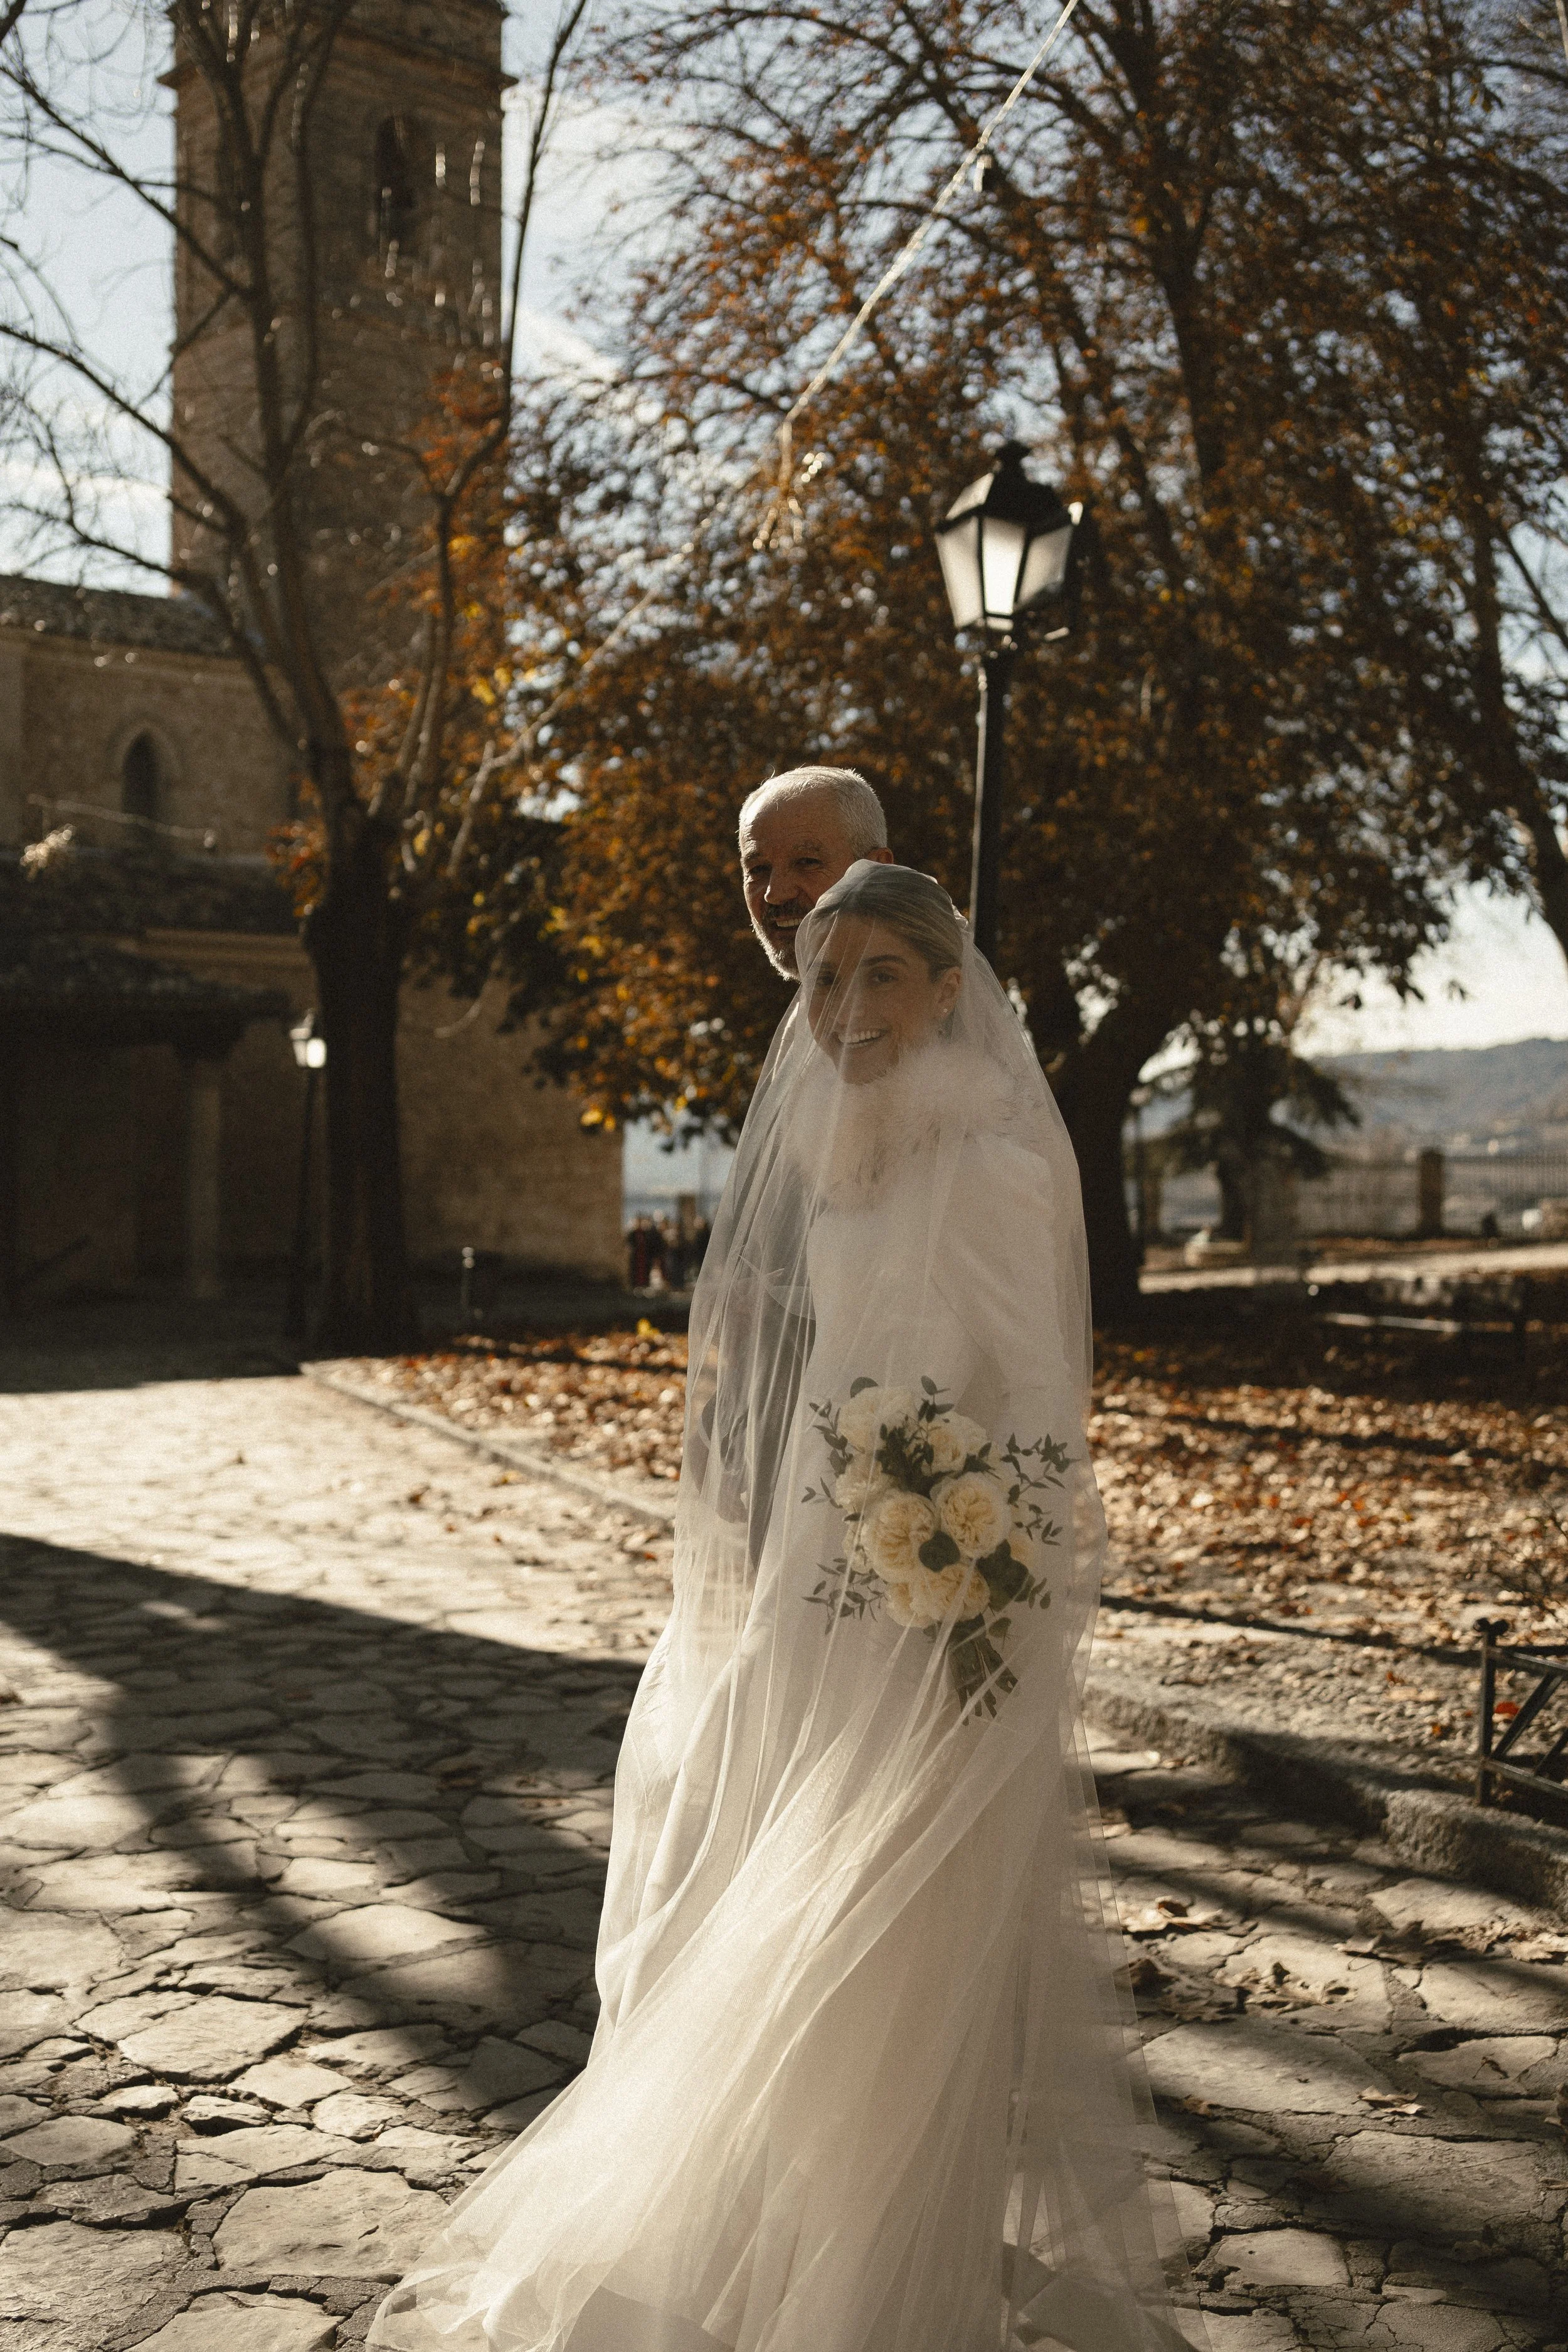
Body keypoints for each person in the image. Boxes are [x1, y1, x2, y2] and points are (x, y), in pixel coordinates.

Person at [371, 862, 1188, 2352]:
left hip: (947, 1621)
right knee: (787, 1918)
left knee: (889, 1963)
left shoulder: (996, 1162)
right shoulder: (835, 1149)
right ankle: (780, 2260)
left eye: (883, 974)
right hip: (823, 1591)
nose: (847, 1006)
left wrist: (982, 1582)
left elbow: (1033, 1410)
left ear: (949, 989)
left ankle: (884, 2301)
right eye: (825, 977)